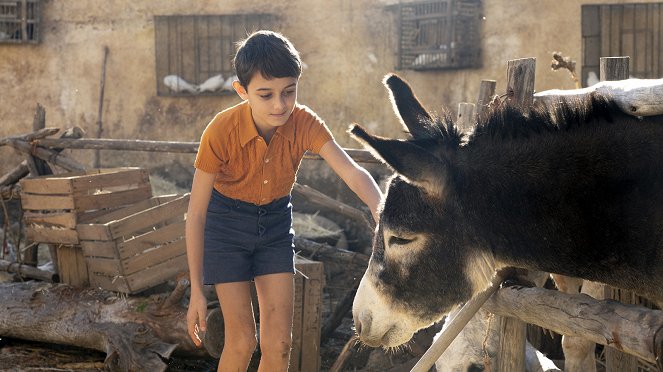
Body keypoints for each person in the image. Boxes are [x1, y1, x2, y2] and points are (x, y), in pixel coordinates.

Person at [185, 30, 382, 372]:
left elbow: (351, 172)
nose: (280, 105)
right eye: (266, 95)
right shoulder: (220, 132)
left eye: (289, 92)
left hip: (274, 225)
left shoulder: (303, 122)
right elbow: (197, 214)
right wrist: (196, 291)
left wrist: (381, 210)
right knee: (243, 341)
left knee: (279, 345)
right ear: (241, 91)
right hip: (226, 227)